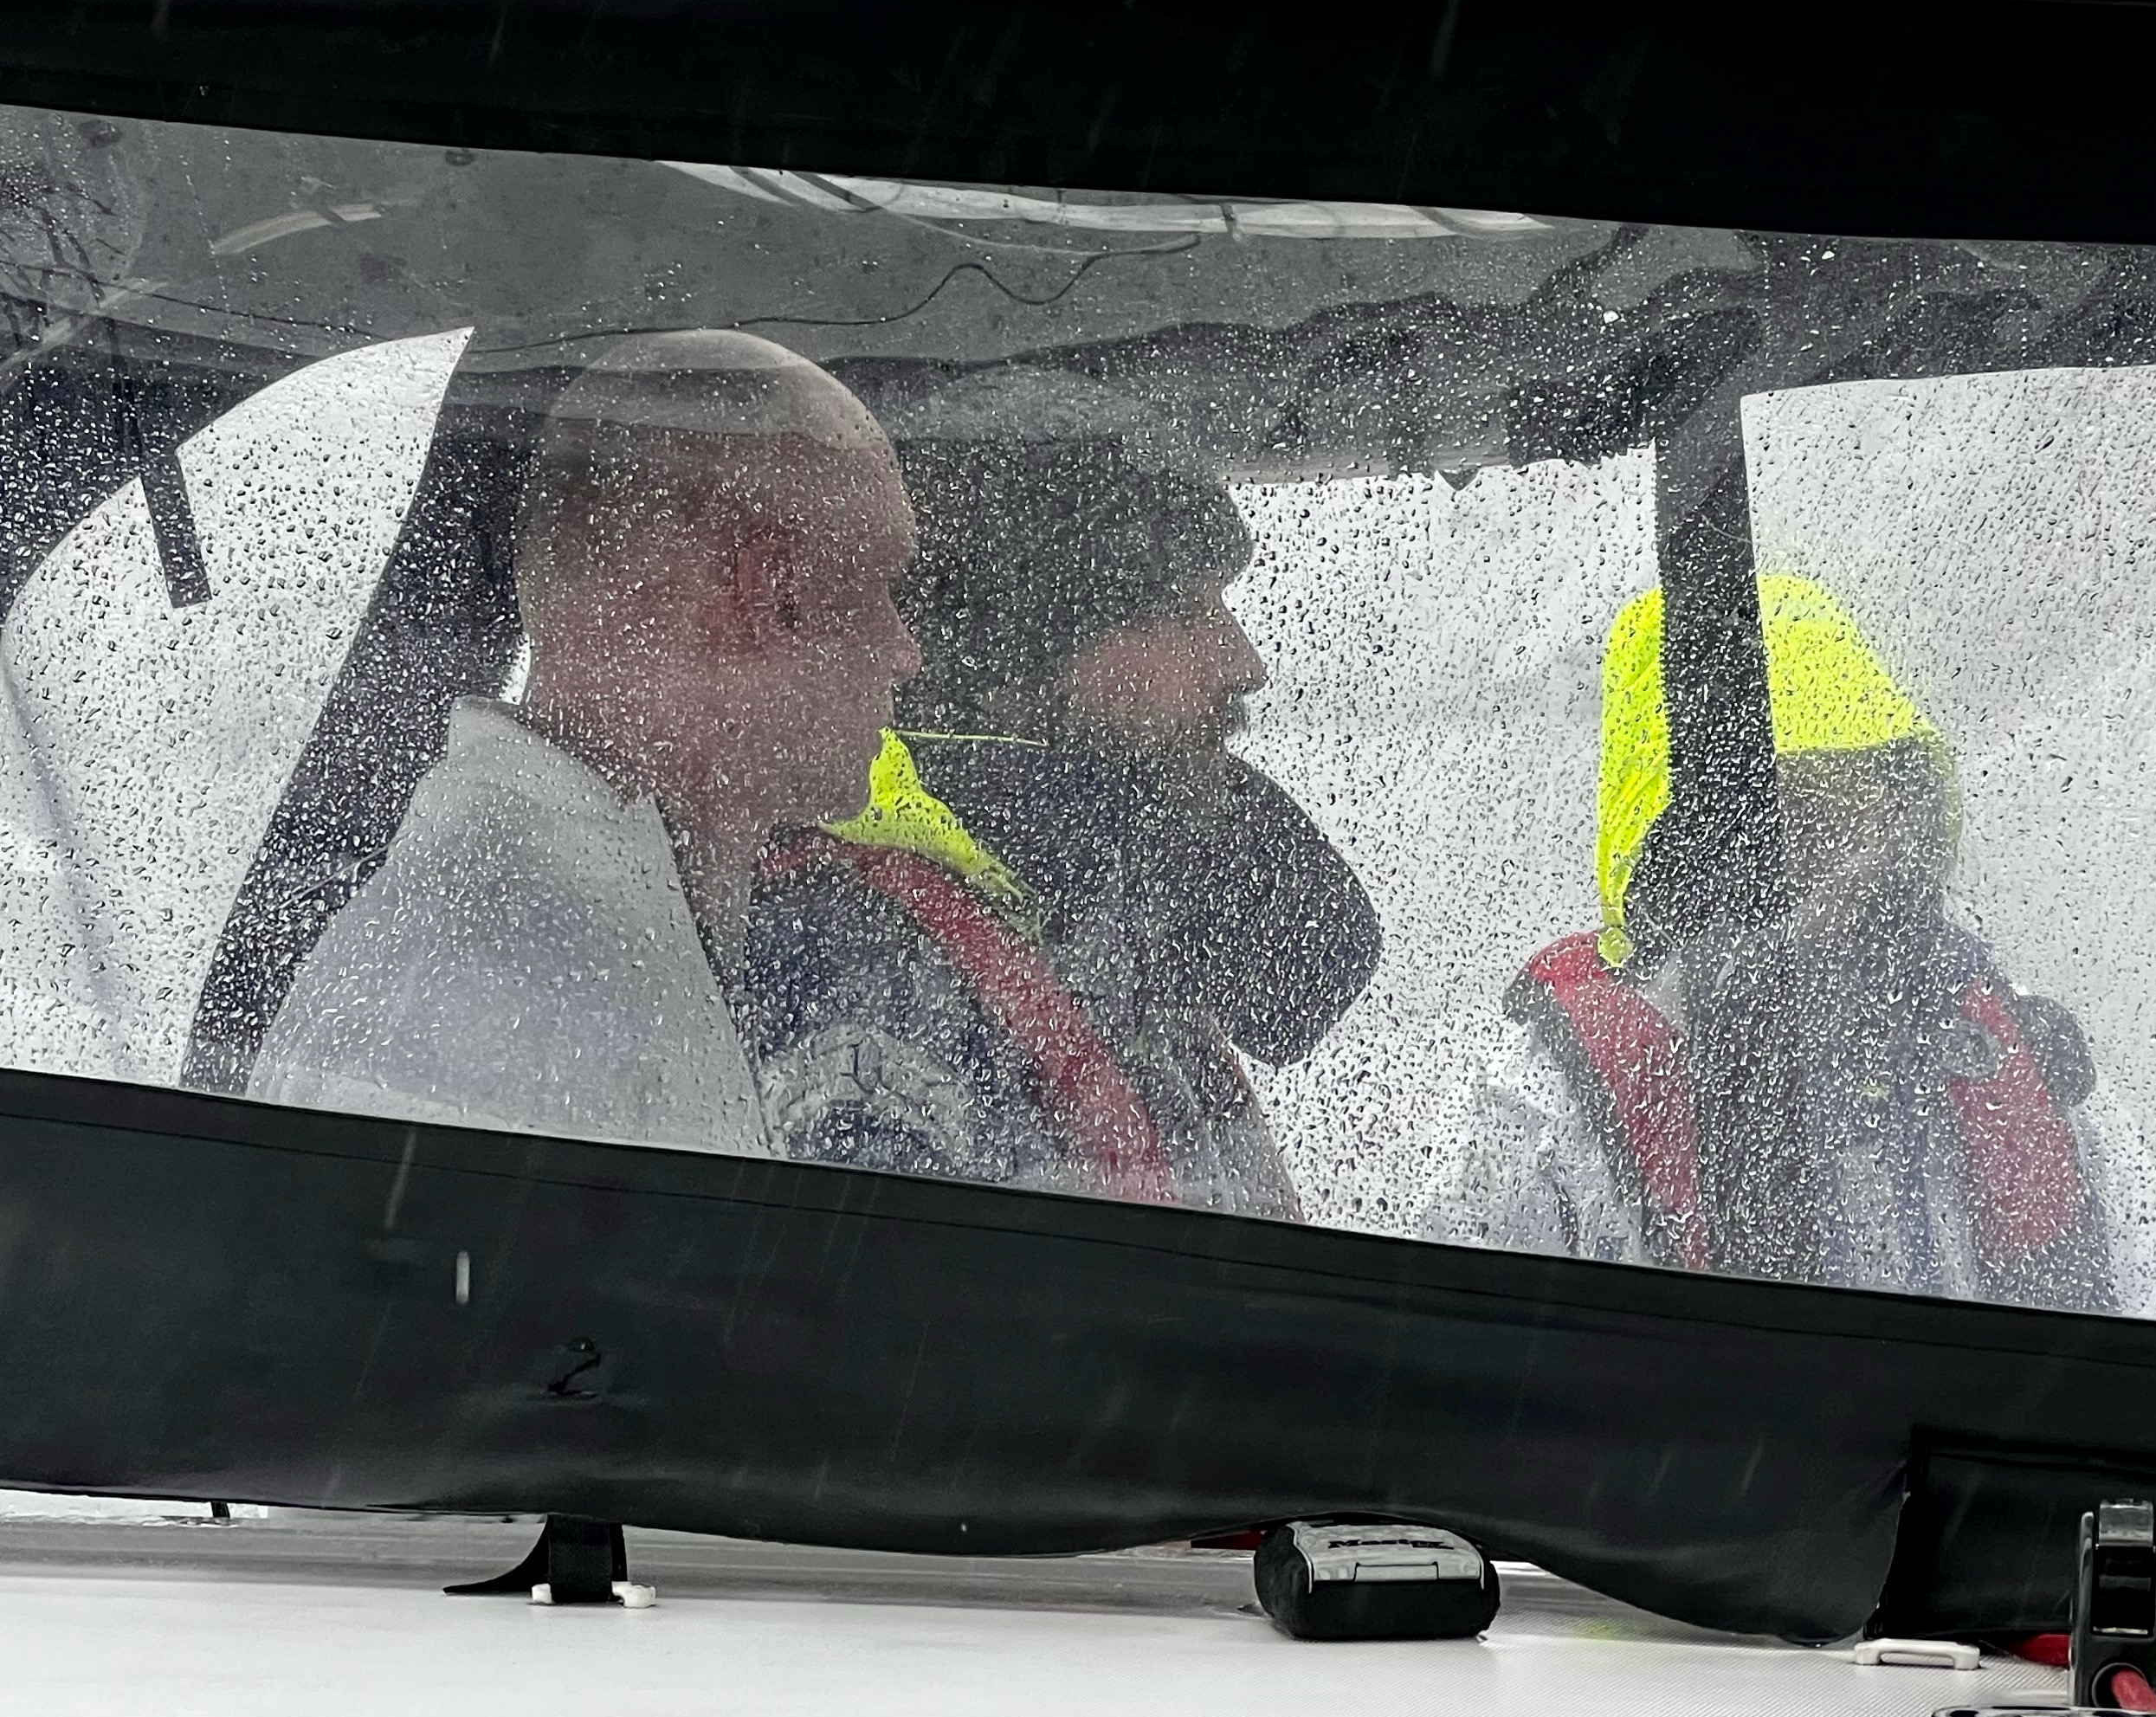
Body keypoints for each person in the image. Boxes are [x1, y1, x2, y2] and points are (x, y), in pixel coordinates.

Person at [250, 331, 921, 1152]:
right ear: (768, 591)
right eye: (881, 586)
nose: (904, 650)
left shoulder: (589, 925)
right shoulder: (495, 1017)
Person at [742, 369, 1376, 1217]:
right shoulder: (859, 963)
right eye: (1183, 614)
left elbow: (1295, 984)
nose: (1243, 661)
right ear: (1017, 661)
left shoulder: (1103, 905)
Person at [1426, 573, 2126, 1311]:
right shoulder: (1555, 1091)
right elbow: (1438, 1363)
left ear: (1903, 821)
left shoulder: (2007, 1054)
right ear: (1680, 844)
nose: (1822, 862)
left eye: (1851, 805)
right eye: (1773, 812)